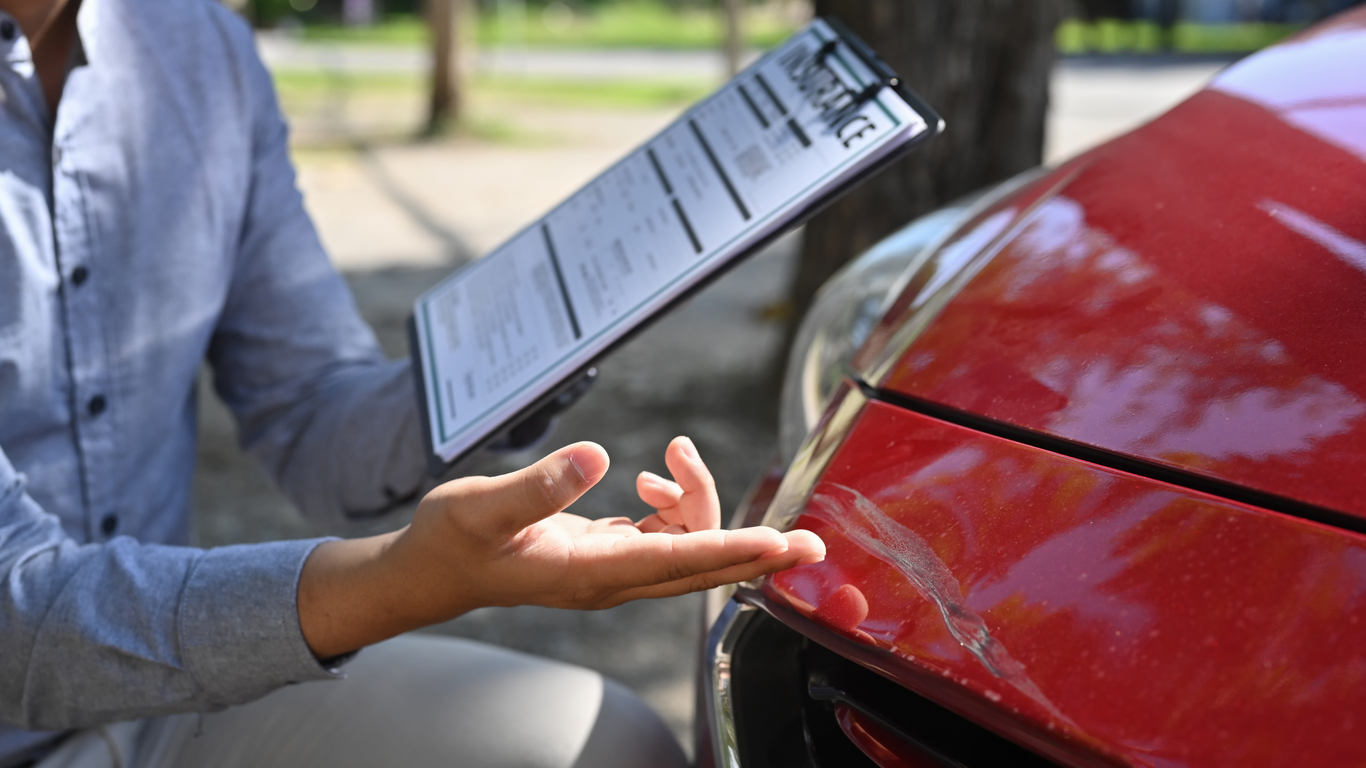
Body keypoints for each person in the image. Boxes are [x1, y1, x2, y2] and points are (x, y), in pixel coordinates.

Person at [0, 0, 826, 762]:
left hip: (163, 699)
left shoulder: (199, 47)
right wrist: (400, 581)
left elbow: (311, 408)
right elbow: (16, 615)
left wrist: (527, 354)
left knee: (612, 747)